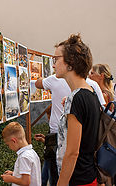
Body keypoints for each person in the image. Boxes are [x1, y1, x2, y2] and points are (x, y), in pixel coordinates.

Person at [53, 34, 100, 185]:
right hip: (88, 174)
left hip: (78, 179)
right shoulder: (90, 93)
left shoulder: (77, 98)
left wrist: (61, 183)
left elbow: (72, 152)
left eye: (56, 59)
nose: (53, 65)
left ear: (70, 62)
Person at [35, 75, 71, 186]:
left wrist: (42, 77)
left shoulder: (54, 79)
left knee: (53, 168)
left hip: (56, 132)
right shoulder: (89, 84)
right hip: (59, 134)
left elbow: (38, 83)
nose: (54, 65)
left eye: (57, 60)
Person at [1, 122, 41, 186]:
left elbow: (25, 182)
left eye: (8, 145)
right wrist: (14, 174)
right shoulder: (31, 152)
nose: (9, 147)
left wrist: (11, 179)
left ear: (14, 141)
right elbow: (28, 174)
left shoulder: (24, 157)